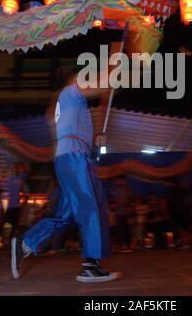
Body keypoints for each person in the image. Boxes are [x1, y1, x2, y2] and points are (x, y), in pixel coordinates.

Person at [11, 67, 121, 282]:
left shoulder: (65, 103)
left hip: (68, 158)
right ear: (71, 79)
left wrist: (94, 141)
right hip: (74, 159)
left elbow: (69, 134)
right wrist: (118, 69)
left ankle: (26, 243)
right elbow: (103, 86)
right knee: (92, 207)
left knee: (65, 213)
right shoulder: (70, 92)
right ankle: (90, 265)